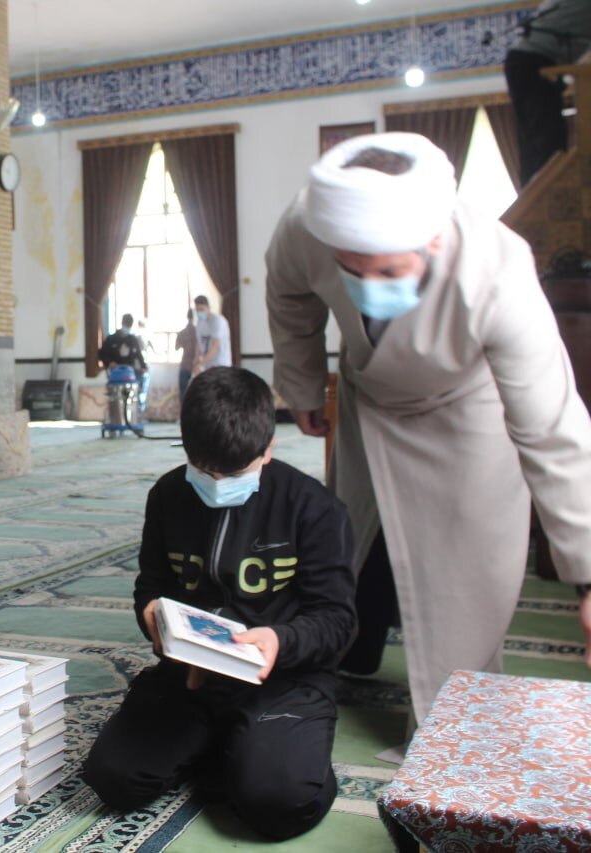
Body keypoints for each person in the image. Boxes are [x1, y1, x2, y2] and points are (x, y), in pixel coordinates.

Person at [265, 132, 591, 725]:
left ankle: (452, 731)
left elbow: (552, 428)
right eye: (352, 269)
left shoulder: (498, 270)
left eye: (389, 268)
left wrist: (590, 578)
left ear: (434, 237)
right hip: (371, 394)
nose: (371, 284)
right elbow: (290, 297)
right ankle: (346, 652)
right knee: (346, 542)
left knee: (468, 579)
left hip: (468, 409)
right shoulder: (307, 225)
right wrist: (306, 383)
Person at [83, 367, 356, 841]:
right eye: (205, 470)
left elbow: (337, 620)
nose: (216, 483)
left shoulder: (313, 508)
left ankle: (257, 750)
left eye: (234, 473)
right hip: (190, 677)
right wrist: (152, 618)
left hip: (283, 682)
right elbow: (151, 585)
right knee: (116, 780)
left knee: (278, 805)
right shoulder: (169, 495)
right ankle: (233, 746)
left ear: (268, 447)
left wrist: (279, 641)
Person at [504, 0, 591, 185]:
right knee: (548, 144)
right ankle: (543, 199)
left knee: (542, 142)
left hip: (527, 62)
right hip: (532, 64)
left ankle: (537, 197)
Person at [99, 313, 150, 408]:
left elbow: (138, 354)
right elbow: (102, 354)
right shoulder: (111, 339)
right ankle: (117, 417)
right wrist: (109, 362)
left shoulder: (132, 339)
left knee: (133, 397)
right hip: (115, 375)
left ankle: (133, 416)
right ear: (122, 323)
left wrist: (143, 367)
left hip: (131, 374)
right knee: (117, 398)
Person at [191, 295, 231, 374]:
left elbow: (215, 346)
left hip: (221, 365)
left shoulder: (218, 321)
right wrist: (196, 359)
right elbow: (198, 343)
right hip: (207, 366)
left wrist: (201, 365)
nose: (199, 313)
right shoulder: (199, 323)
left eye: (201, 309)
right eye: (197, 310)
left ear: (208, 307)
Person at [174, 309, 197, 400]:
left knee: (183, 394)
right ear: (194, 317)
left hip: (184, 364)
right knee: (195, 394)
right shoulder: (198, 332)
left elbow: (176, 348)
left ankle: (184, 413)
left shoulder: (182, 333)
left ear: (187, 317)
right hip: (196, 366)